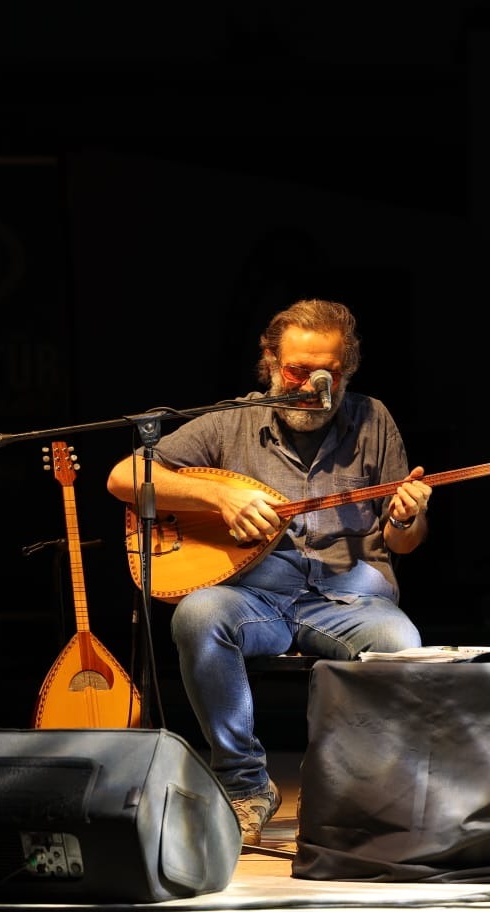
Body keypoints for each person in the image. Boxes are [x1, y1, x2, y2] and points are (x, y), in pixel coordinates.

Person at [106, 298, 430, 845]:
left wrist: (406, 516)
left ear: (347, 369)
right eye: (297, 371)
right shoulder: (231, 421)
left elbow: (404, 542)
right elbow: (123, 477)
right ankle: (245, 785)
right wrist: (218, 495)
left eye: (328, 374)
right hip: (255, 596)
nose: (313, 387)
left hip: (350, 599)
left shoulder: (373, 420)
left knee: (401, 642)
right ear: (271, 363)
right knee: (199, 614)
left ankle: (344, 792)